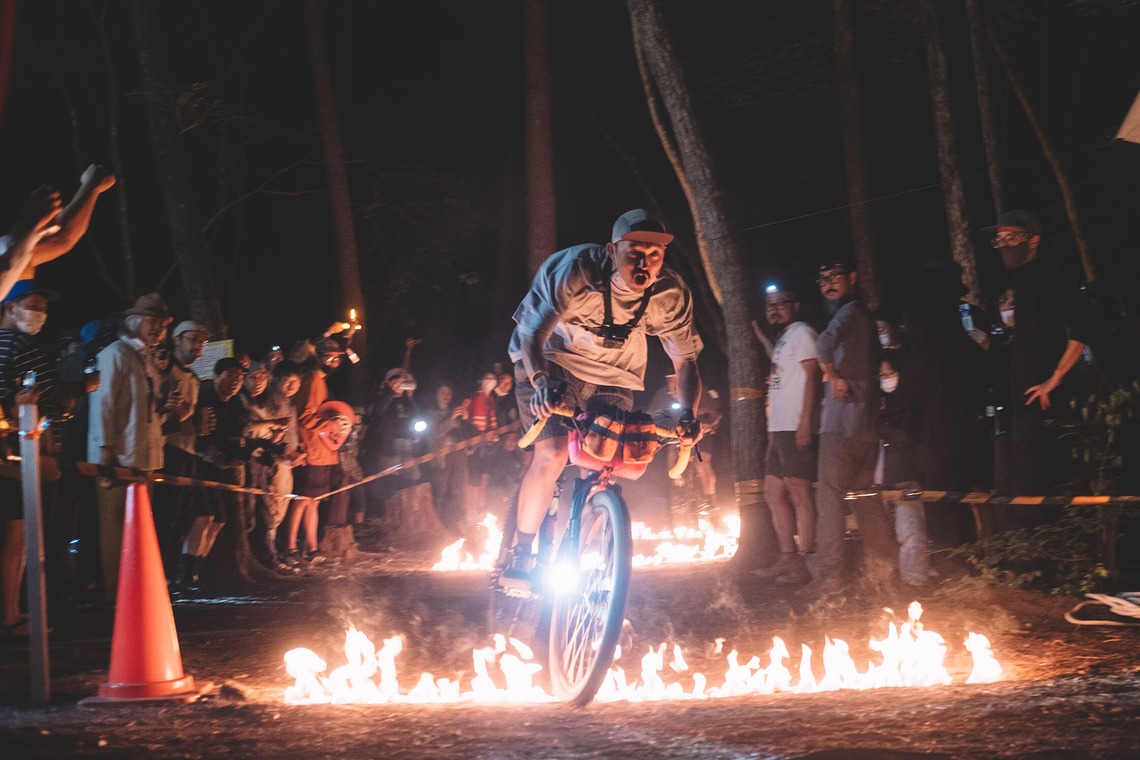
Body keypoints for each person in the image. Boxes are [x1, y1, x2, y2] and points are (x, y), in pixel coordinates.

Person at [505, 208, 704, 585]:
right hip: (552, 359)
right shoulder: (576, 271)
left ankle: (572, 560)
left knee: (602, 463)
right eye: (635, 253)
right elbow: (533, 337)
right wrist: (541, 382)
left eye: (655, 255)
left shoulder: (669, 296)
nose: (645, 263)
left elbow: (686, 363)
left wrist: (688, 416)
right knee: (552, 455)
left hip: (616, 374)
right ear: (612, 251)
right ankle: (522, 551)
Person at [0, 282, 97, 632]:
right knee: (16, 532)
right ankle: (10, 614)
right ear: (10, 307)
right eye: (32, 304)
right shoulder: (15, 342)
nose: (39, 311)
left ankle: (13, 610)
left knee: (17, 532)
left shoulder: (12, 342)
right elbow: (37, 391)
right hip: (18, 448)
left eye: (43, 305)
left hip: (19, 443)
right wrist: (84, 386)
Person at [983, 210, 1096, 495]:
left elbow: (1084, 321)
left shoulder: (1043, 277)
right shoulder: (1022, 283)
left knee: (1039, 485)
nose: (1005, 245)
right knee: (1027, 484)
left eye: (1013, 237)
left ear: (1033, 241)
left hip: (1042, 405)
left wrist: (1055, 377)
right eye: (1000, 240)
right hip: (1025, 406)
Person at [813, 259, 897, 593]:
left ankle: (831, 576)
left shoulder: (848, 313)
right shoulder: (865, 318)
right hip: (866, 425)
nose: (828, 283)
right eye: (822, 279)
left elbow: (822, 344)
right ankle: (883, 570)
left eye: (834, 276)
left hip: (840, 422)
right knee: (865, 496)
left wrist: (832, 376)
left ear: (852, 278)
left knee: (830, 498)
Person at [88, 293, 172, 601]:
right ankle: (116, 594)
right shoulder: (115, 353)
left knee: (137, 528)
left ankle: (134, 592)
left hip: (143, 455)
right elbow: (104, 403)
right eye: (151, 320)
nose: (157, 327)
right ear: (133, 321)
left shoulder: (147, 357)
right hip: (119, 455)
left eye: (161, 323)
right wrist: (104, 447)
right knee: (115, 529)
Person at [754, 284, 819, 585]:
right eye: (770, 305)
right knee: (773, 493)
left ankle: (807, 561)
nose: (774, 308)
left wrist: (806, 422)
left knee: (798, 492)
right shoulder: (783, 339)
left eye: (781, 303)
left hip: (796, 426)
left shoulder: (803, 332)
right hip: (778, 430)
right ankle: (787, 557)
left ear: (796, 305)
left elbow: (812, 376)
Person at [285, 337, 350, 565]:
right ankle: (291, 547)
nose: (333, 361)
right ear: (318, 357)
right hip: (311, 450)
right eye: (328, 357)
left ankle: (312, 548)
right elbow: (305, 417)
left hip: (324, 452)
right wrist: (332, 425)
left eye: (337, 358)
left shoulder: (321, 381)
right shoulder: (312, 379)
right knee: (302, 500)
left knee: (315, 501)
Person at [154, 320, 210, 581]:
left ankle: (170, 574)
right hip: (168, 451)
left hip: (189, 453)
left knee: (182, 518)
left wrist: (199, 422)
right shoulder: (163, 371)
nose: (198, 345)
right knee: (166, 517)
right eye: (193, 339)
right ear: (176, 340)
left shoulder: (195, 379)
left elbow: (191, 419)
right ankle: (159, 575)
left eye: (201, 341)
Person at [243, 361, 303, 570]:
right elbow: (260, 430)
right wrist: (284, 449)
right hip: (272, 461)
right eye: (288, 381)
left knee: (275, 511)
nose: (292, 385)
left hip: (285, 460)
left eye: (296, 382)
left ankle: (272, 553)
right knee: (270, 511)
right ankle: (269, 555)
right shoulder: (269, 401)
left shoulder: (290, 402)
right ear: (277, 380)